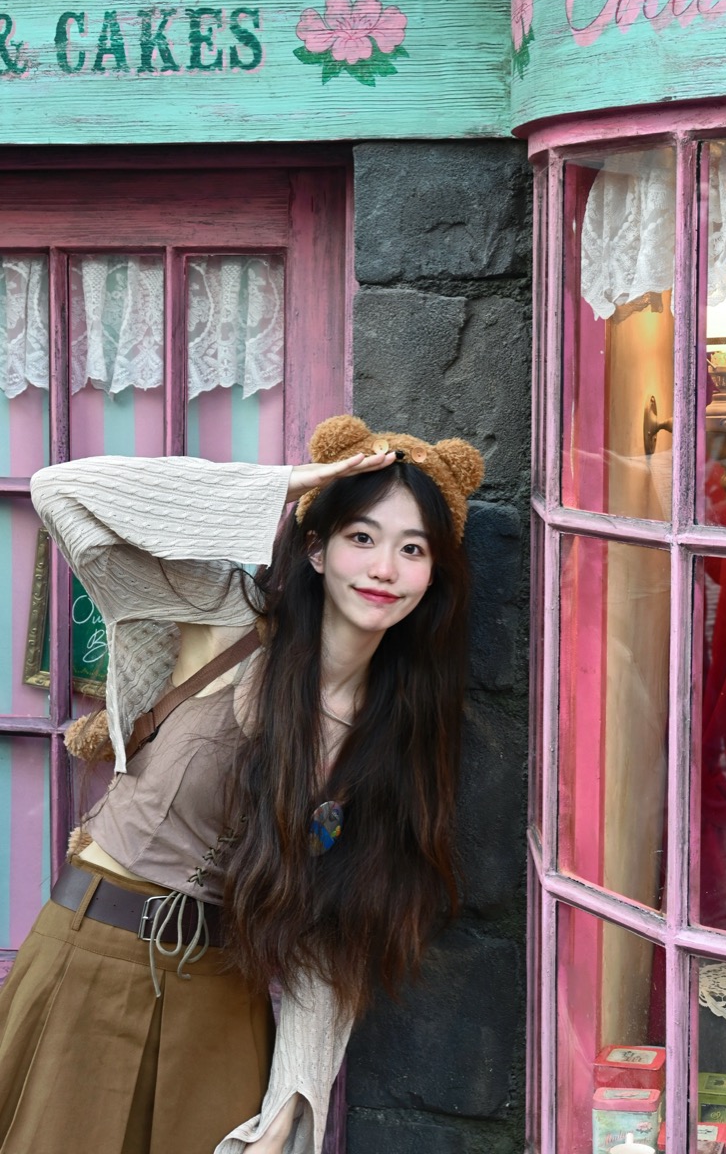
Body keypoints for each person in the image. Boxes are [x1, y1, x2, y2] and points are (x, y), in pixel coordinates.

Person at [0, 413, 483, 1154]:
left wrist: (292, 1098)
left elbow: (334, 940)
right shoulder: (227, 618)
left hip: (226, 1000)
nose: (385, 569)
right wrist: (292, 485)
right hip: (90, 962)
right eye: (361, 537)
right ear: (316, 548)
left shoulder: (397, 733)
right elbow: (64, 492)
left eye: (412, 549)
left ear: (434, 573)